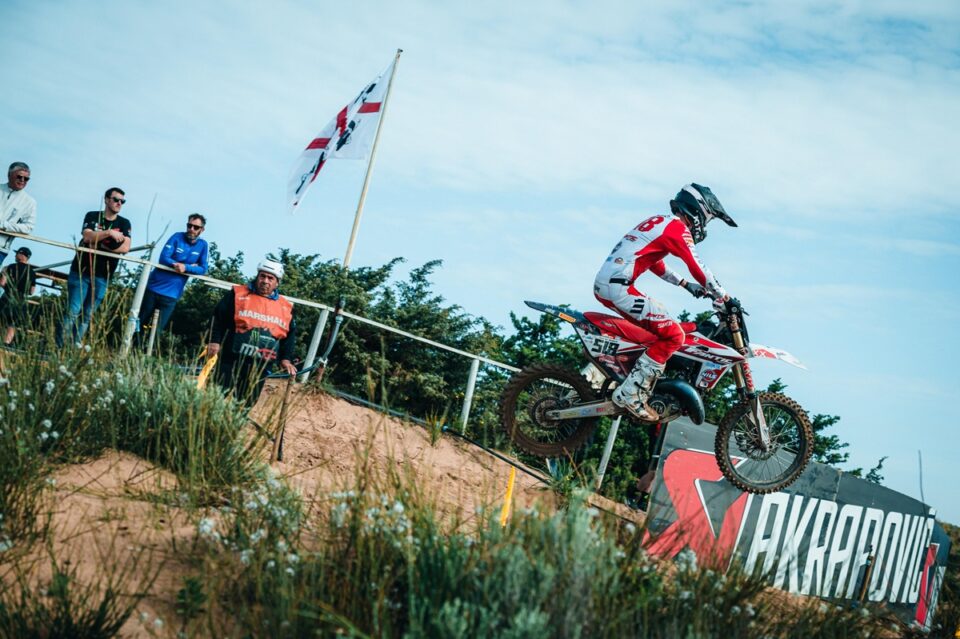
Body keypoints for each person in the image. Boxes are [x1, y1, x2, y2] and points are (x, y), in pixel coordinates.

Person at [594, 183, 737, 420]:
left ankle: (632, 376)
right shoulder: (677, 228)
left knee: (664, 322)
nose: (705, 226)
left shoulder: (660, 222)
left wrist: (684, 284)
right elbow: (698, 267)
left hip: (611, 283)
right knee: (674, 336)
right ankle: (631, 394)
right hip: (619, 288)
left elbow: (653, 261)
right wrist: (723, 296)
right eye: (707, 220)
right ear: (699, 211)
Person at [205, 259, 297, 407]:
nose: (265, 281)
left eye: (270, 278)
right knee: (215, 398)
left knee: (246, 404)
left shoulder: (285, 307)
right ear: (257, 276)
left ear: (277, 283)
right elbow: (218, 318)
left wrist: (285, 359)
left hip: (260, 366)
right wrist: (214, 340)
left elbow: (290, 335)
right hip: (230, 359)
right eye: (262, 276)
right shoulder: (237, 294)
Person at [56, 187, 132, 347]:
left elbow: (125, 248)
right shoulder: (92, 215)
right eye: (116, 199)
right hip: (81, 271)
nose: (119, 203)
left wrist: (100, 244)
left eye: (122, 201)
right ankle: (59, 347)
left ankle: (73, 347)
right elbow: (87, 236)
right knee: (73, 310)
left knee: (87, 315)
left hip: (103, 275)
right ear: (106, 199)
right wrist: (109, 233)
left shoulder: (124, 223)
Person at [137, 213, 209, 344]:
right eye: (189, 225)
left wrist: (186, 267)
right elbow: (163, 258)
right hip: (153, 288)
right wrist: (178, 265)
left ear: (202, 230)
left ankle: (145, 354)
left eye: (196, 227)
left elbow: (203, 268)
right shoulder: (177, 236)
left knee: (156, 332)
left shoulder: (203, 245)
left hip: (172, 295)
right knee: (139, 323)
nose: (191, 229)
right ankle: (127, 351)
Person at [0, 162, 37, 266]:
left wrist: (3, 225)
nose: (22, 180)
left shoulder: (30, 202)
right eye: (19, 177)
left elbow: (28, 228)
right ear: (9, 175)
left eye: (26, 179)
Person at [0, 246, 37, 345]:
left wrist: (8, 287)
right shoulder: (32, 272)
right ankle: (6, 343)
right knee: (12, 323)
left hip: (7, 296)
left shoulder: (10, 267)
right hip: (20, 299)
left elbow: (2, 283)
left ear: (22, 255)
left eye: (17, 253)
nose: (15, 255)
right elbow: (31, 291)